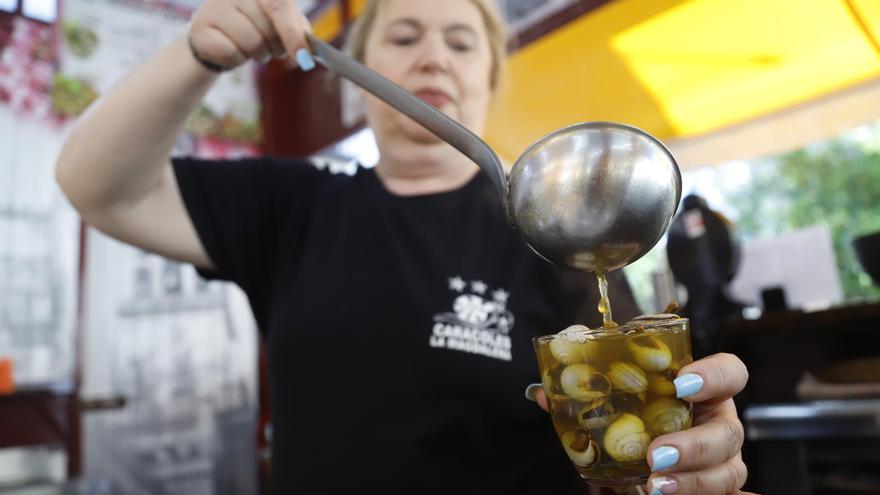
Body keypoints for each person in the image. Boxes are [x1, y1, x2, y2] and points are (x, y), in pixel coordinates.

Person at [55, 0, 752, 493]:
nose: (431, 57)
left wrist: (680, 454)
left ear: (489, 77)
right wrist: (197, 54)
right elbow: (97, 187)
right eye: (405, 35)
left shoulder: (557, 229)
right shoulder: (295, 206)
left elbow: (627, 422)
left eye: (459, 41)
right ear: (355, 75)